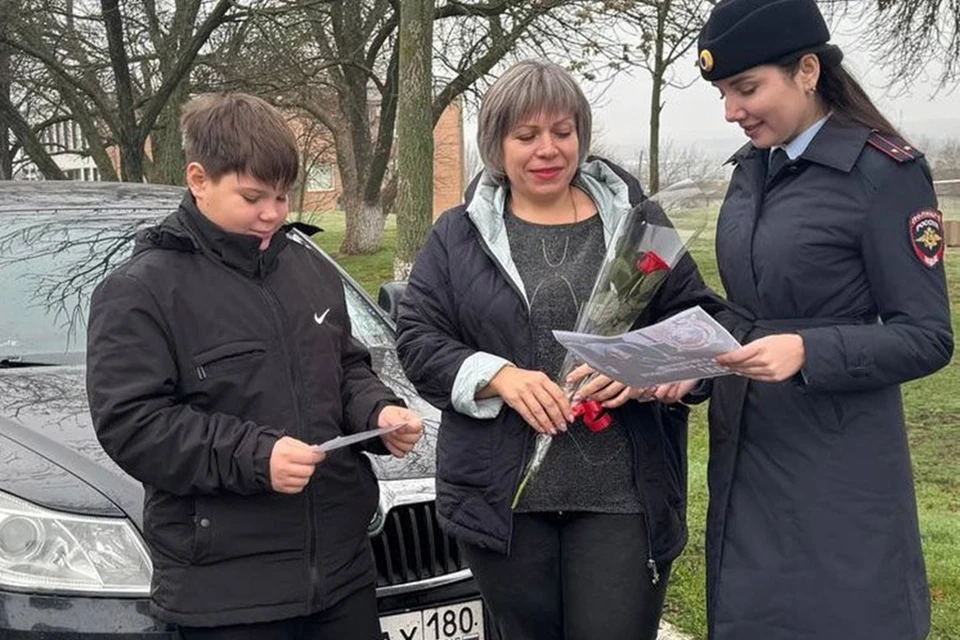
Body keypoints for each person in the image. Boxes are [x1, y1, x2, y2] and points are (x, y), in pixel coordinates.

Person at [394, 60, 724, 640]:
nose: (547, 149)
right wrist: (499, 377)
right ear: (497, 143)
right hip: (505, 504)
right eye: (526, 136)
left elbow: (706, 324)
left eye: (563, 132)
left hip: (624, 498)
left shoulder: (638, 223)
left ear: (581, 136)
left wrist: (649, 367)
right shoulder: (457, 234)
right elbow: (418, 340)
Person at [85, 93, 423, 639]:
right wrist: (256, 456)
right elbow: (133, 425)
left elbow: (346, 368)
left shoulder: (309, 268)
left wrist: (378, 413)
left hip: (343, 575)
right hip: (227, 594)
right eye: (252, 197)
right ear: (199, 179)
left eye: (283, 197)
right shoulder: (141, 290)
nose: (272, 213)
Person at [689, 1, 955, 638]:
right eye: (724, 93)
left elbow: (928, 336)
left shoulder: (883, 173)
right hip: (747, 458)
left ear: (806, 70)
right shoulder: (752, 169)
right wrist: (683, 360)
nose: (731, 111)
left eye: (747, 88)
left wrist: (809, 350)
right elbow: (751, 309)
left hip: (840, 471)